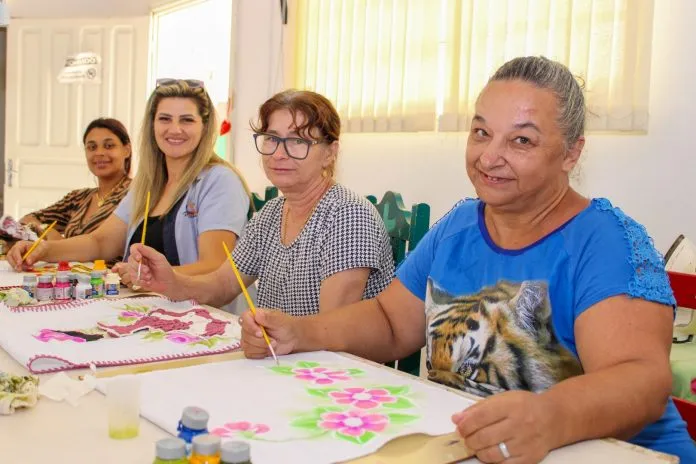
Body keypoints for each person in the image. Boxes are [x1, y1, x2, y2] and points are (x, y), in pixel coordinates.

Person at [238, 57, 696, 463]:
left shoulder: (606, 241)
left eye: (521, 141)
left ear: (571, 152)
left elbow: (642, 380)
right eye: (481, 133)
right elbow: (392, 322)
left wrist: (549, 416)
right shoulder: (460, 224)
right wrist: (301, 332)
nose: (489, 156)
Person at [124, 89, 394, 316]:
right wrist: (170, 281)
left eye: (298, 141)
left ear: (330, 153)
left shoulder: (349, 215)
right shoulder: (273, 212)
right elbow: (223, 285)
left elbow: (333, 330)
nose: (278, 153)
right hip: (283, 357)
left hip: (331, 372)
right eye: (272, 139)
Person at [8, 79, 251, 293]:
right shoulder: (149, 183)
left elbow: (216, 266)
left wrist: (150, 277)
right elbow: (100, 242)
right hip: (147, 309)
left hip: (199, 317)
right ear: (152, 125)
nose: (174, 129)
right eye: (164, 119)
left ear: (204, 127)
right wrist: (43, 250)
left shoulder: (220, 181)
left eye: (187, 120)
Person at [19, 118, 132, 241]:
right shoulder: (77, 198)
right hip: (66, 261)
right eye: (92, 147)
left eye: (109, 146)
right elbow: (27, 220)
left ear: (127, 150)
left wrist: (63, 246)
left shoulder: (136, 193)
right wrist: (45, 230)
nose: (99, 153)